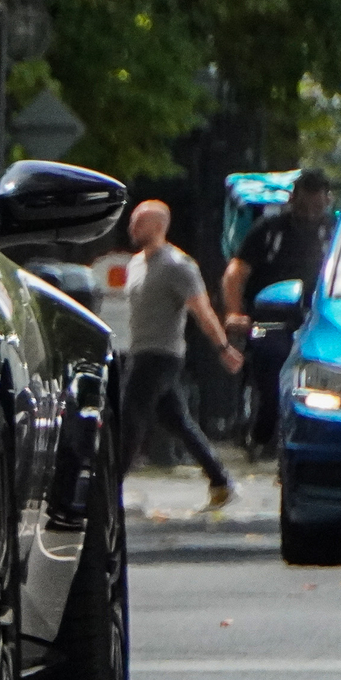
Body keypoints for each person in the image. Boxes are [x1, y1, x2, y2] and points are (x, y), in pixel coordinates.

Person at [125, 198, 241, 509]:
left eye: (140, 221)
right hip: (139, 350)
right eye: (134, 220)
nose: (132, 226)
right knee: (177, 421)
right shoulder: (135, 264)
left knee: (130, 419)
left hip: (161, 355)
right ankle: (221, 481)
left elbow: (202, 311)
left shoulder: (177, 265)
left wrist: (223, 347)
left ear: (160, 226)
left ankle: (107, 487)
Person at [222, 169, 335, 446]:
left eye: (317, 207)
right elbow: (237, 272)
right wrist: (235, 312)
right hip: (272, 318)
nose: (310, 214)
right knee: (271, 358)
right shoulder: (269, 230)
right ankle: (264, 430)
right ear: (292, 199)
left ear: (328, 201)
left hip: (323, 317)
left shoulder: (337, 232)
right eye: (304, 206)